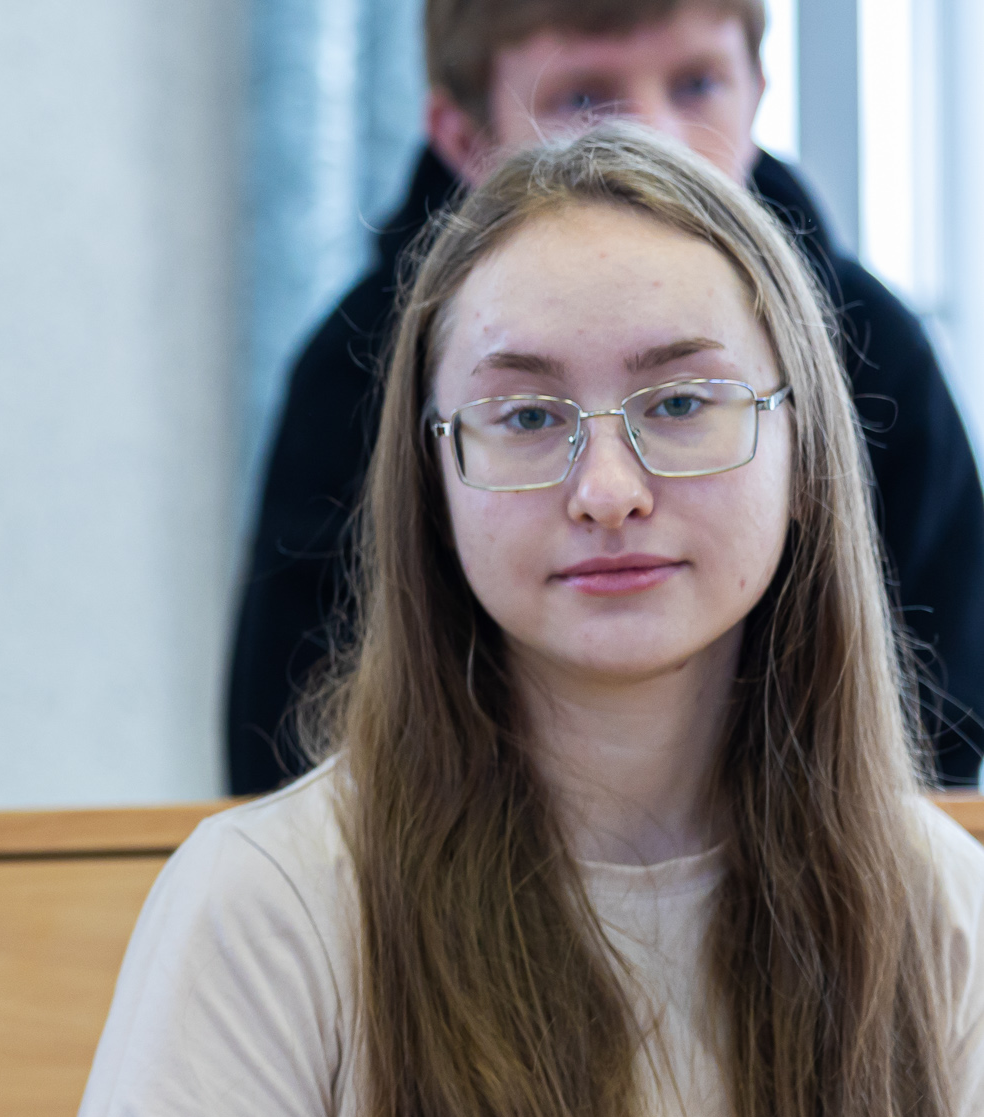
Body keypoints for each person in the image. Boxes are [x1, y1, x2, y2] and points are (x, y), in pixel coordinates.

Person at [64, 124, 984, 1117]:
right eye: (524, 416)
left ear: (803, 450)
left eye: (679, 401)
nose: (607, 484)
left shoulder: (940, 906)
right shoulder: (266, 902)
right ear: (431, 477)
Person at [228, 0, 984, 795]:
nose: (653, 139)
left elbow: (947, 696)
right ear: (462, 137)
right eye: (585, 101)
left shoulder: (870, 342)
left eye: (697, 85)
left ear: (759, 89)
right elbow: (285, 727)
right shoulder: (354, 369)